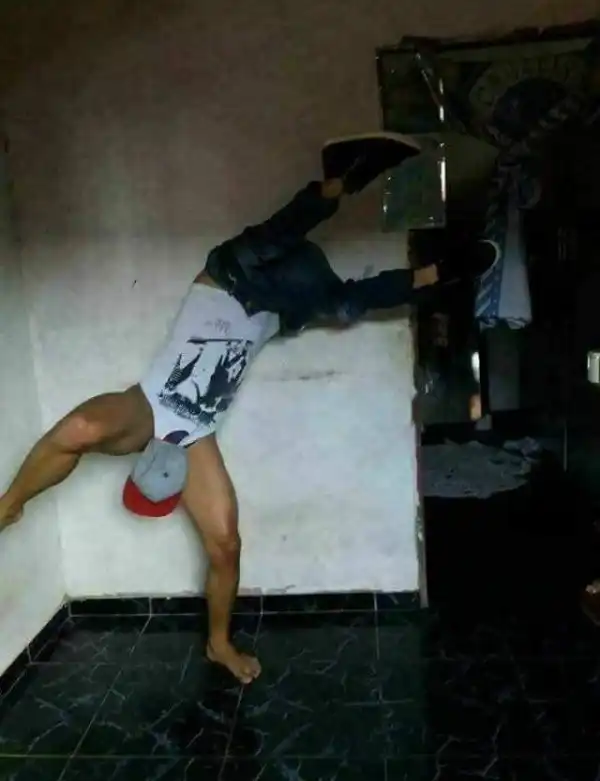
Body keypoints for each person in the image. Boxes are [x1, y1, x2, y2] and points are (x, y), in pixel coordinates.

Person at [0, 132, 497, 683]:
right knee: (227, 541)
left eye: (148, 484)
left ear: (136, 464)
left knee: (275, 238)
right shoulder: (193, 446)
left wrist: (13, 501)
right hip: (282, 305)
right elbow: (222, 544)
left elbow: (75, 431)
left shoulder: (137, 418)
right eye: (165, 490)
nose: (159, 479)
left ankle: (338, 179)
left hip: (233, 279)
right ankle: (438, 273)